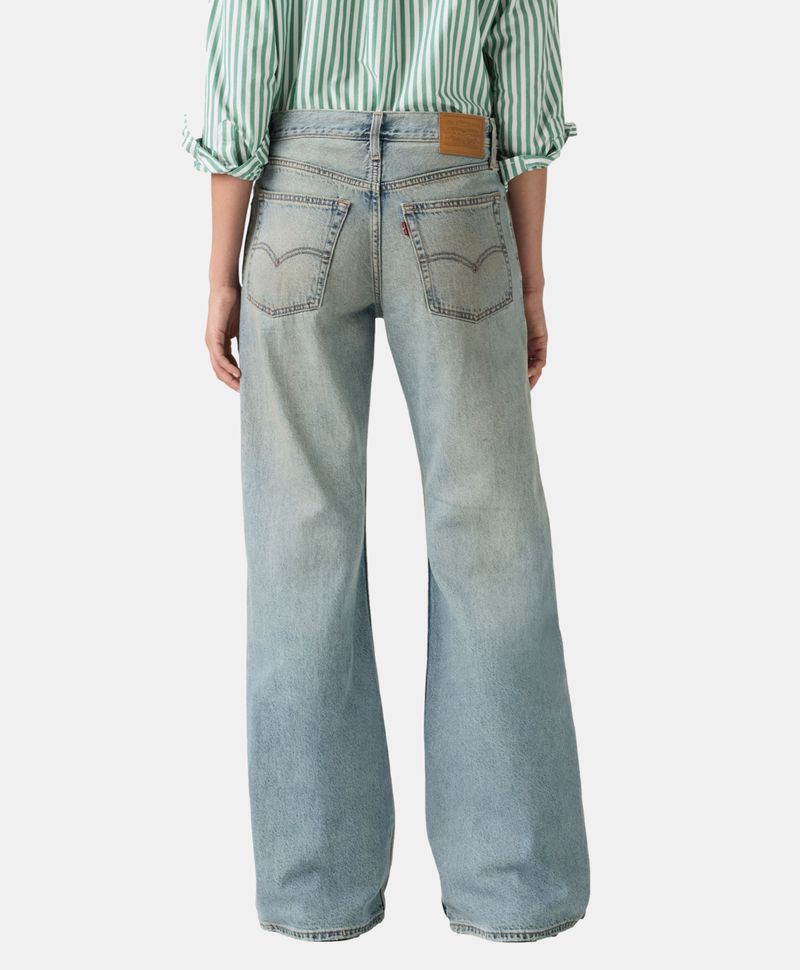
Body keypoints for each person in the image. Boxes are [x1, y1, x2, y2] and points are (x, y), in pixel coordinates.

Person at [183, 0, 590, 944]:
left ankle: (315, 889)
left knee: (299, 546)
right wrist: (531, 278)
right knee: (491, 543)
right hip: (457, 172)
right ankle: (513, 887)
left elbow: (242, 60)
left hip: (297, 187)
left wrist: (220, 274)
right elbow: (527, 83)